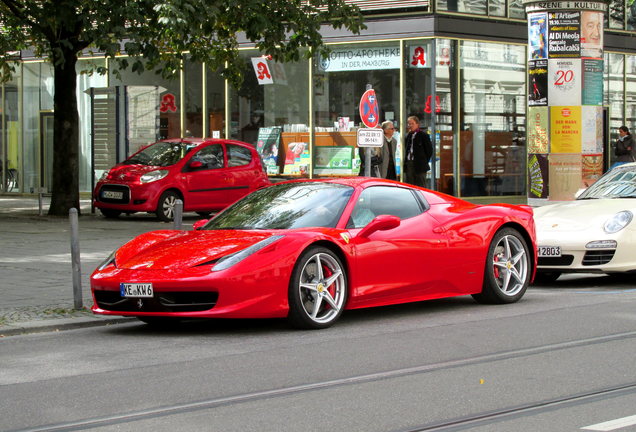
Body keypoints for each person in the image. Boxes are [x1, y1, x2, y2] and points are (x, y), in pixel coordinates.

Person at [403, 115, 433, 187]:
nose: (410, 125)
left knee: (420, 184)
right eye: (409, 124)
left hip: (420, 164)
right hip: (409, 163)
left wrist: (423, 160)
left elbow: (429, 150)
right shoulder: (408, 136)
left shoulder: (423, 135)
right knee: (410, 183)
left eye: (412, 123)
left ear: (417, 124)